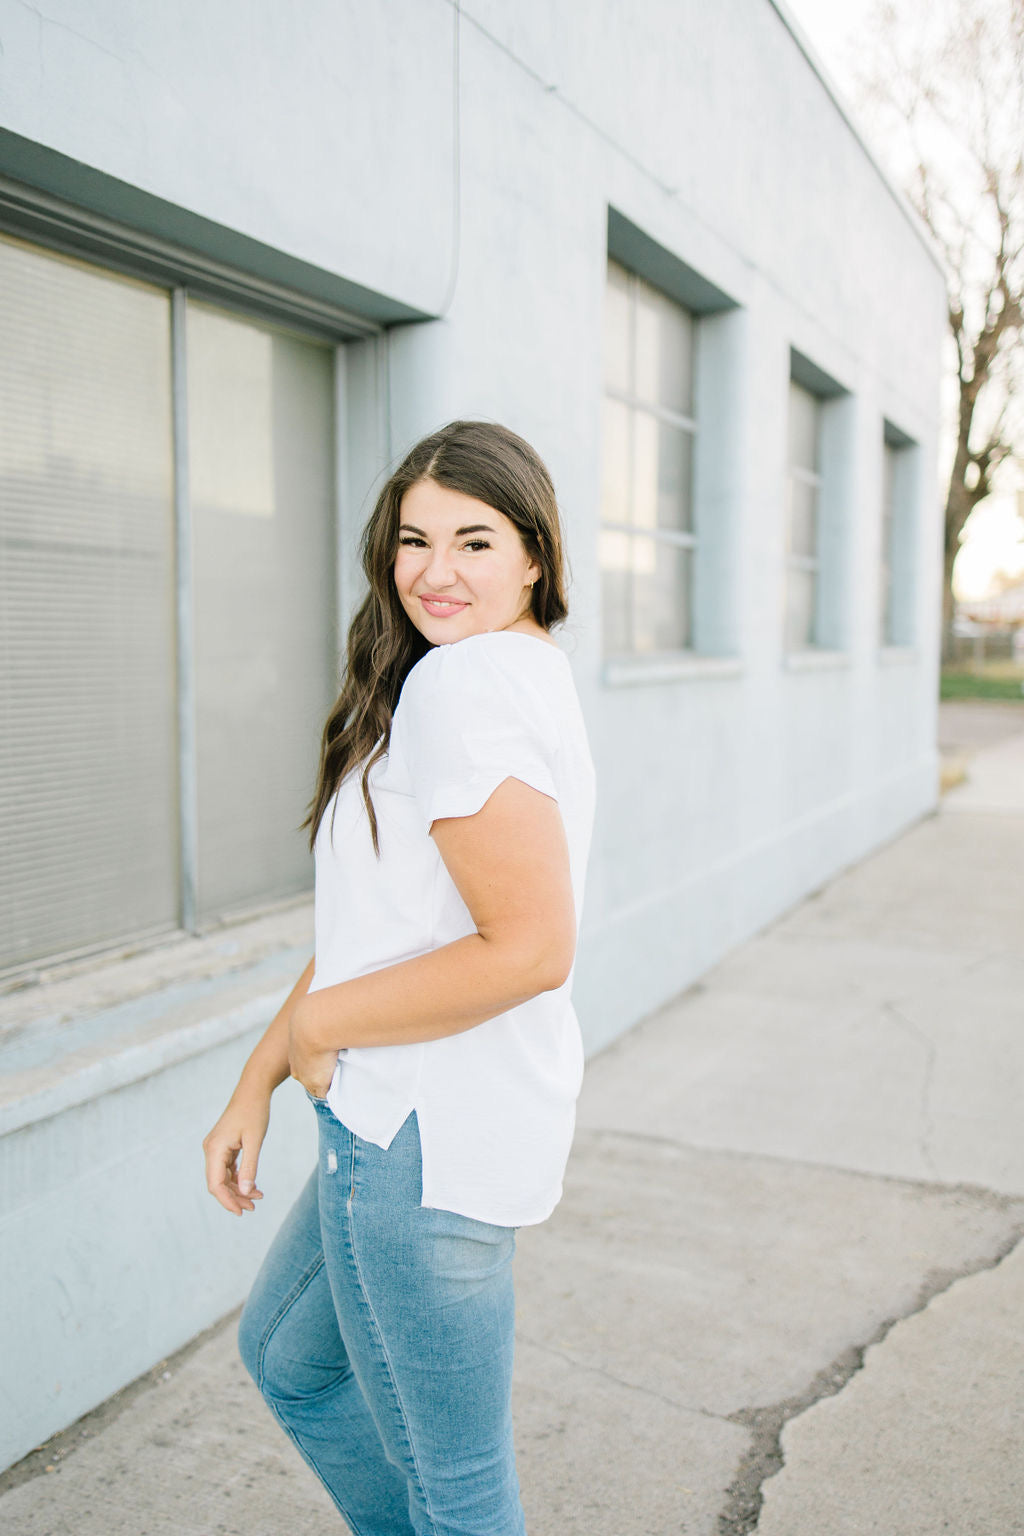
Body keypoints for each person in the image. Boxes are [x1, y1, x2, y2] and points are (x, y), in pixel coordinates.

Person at [202, 419, 596, 1536]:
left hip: (424, 1141)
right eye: (412, 540)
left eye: (474, 541)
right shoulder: (492, 677)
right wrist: (259, 1078)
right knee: (288, 1359)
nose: (433, 571)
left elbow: (528, 948)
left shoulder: (463, 690)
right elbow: (383, 928)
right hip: (398, 1121)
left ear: (534, 555)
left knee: (458, 1487)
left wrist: (322, 1024)